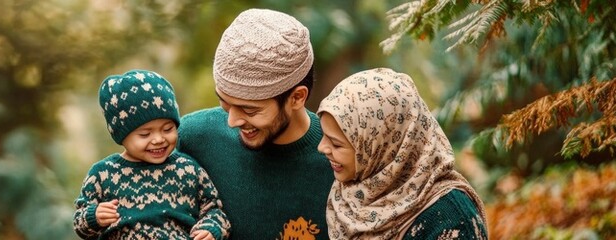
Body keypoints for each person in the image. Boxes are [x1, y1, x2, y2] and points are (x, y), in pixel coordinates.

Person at [177, 9, 334, 239]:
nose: (232, 121)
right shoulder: (191, 138)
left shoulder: (340, 160)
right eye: (224, 102)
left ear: (297, 97)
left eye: (250, 109)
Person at [316, 68, 489, 239]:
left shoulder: (451, 220)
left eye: (336, 144)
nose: (321, 147)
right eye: (324, 135)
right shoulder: (350, 194)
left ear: (382, 150)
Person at [73, 69, 230, 240]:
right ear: (122, 135)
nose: (158, 139)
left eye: (167, 129)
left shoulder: (188, 169)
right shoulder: (102, 175)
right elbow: (80, 226)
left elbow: (215, 211)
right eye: (145, 134)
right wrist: (93, 216)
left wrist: (211, 229)